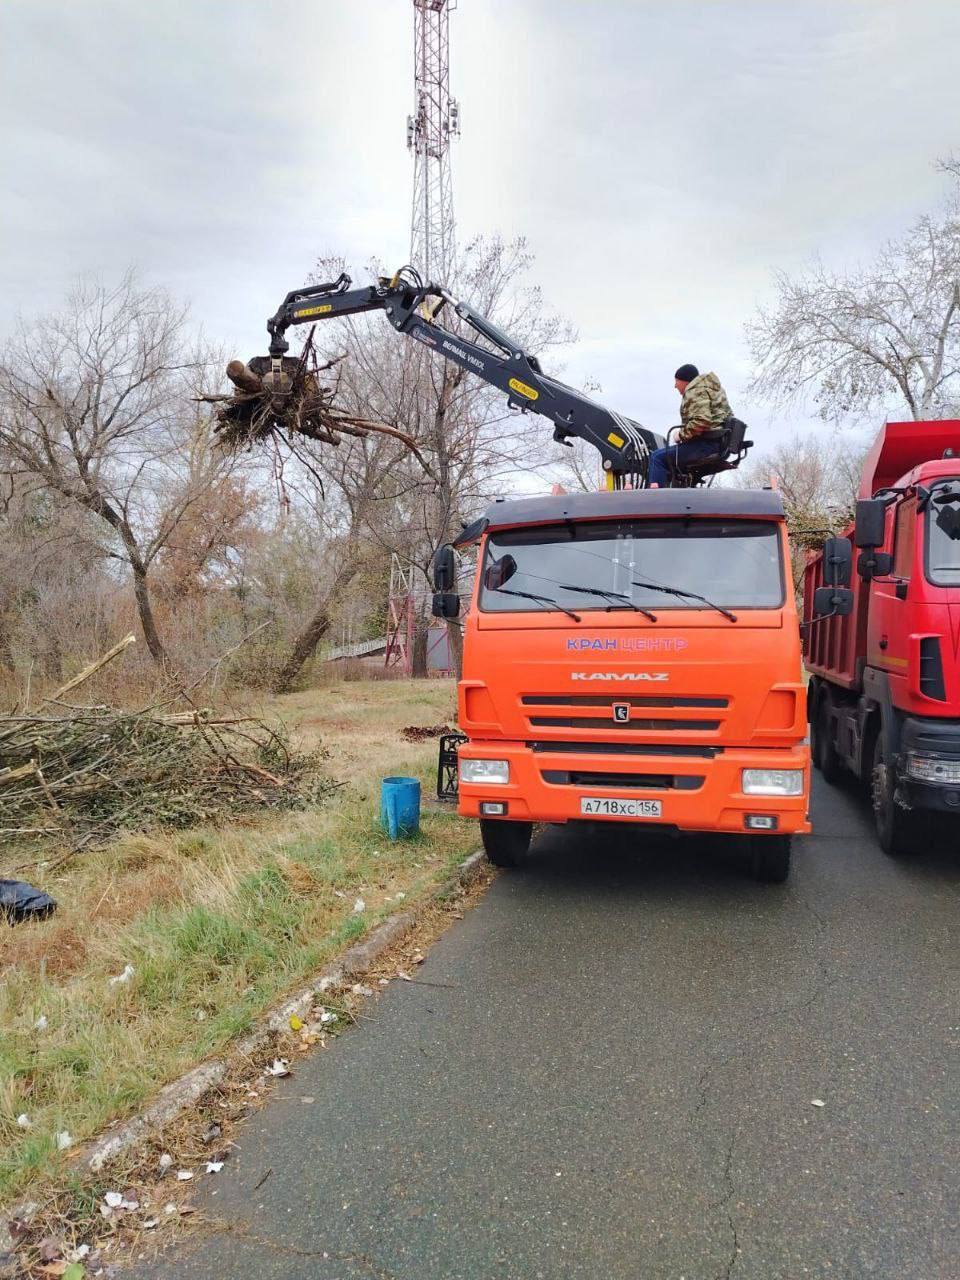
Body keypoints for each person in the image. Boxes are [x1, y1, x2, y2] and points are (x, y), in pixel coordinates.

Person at [647, 363, 733, 488]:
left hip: (705, 445)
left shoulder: (695, 391)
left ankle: (656, 500)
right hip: (717, 444)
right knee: (670, 459)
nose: (675, 385)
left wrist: (681, 435)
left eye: (677, 381)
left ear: (685, 381)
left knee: (657, 458)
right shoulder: (713, 391)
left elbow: (702, 421)